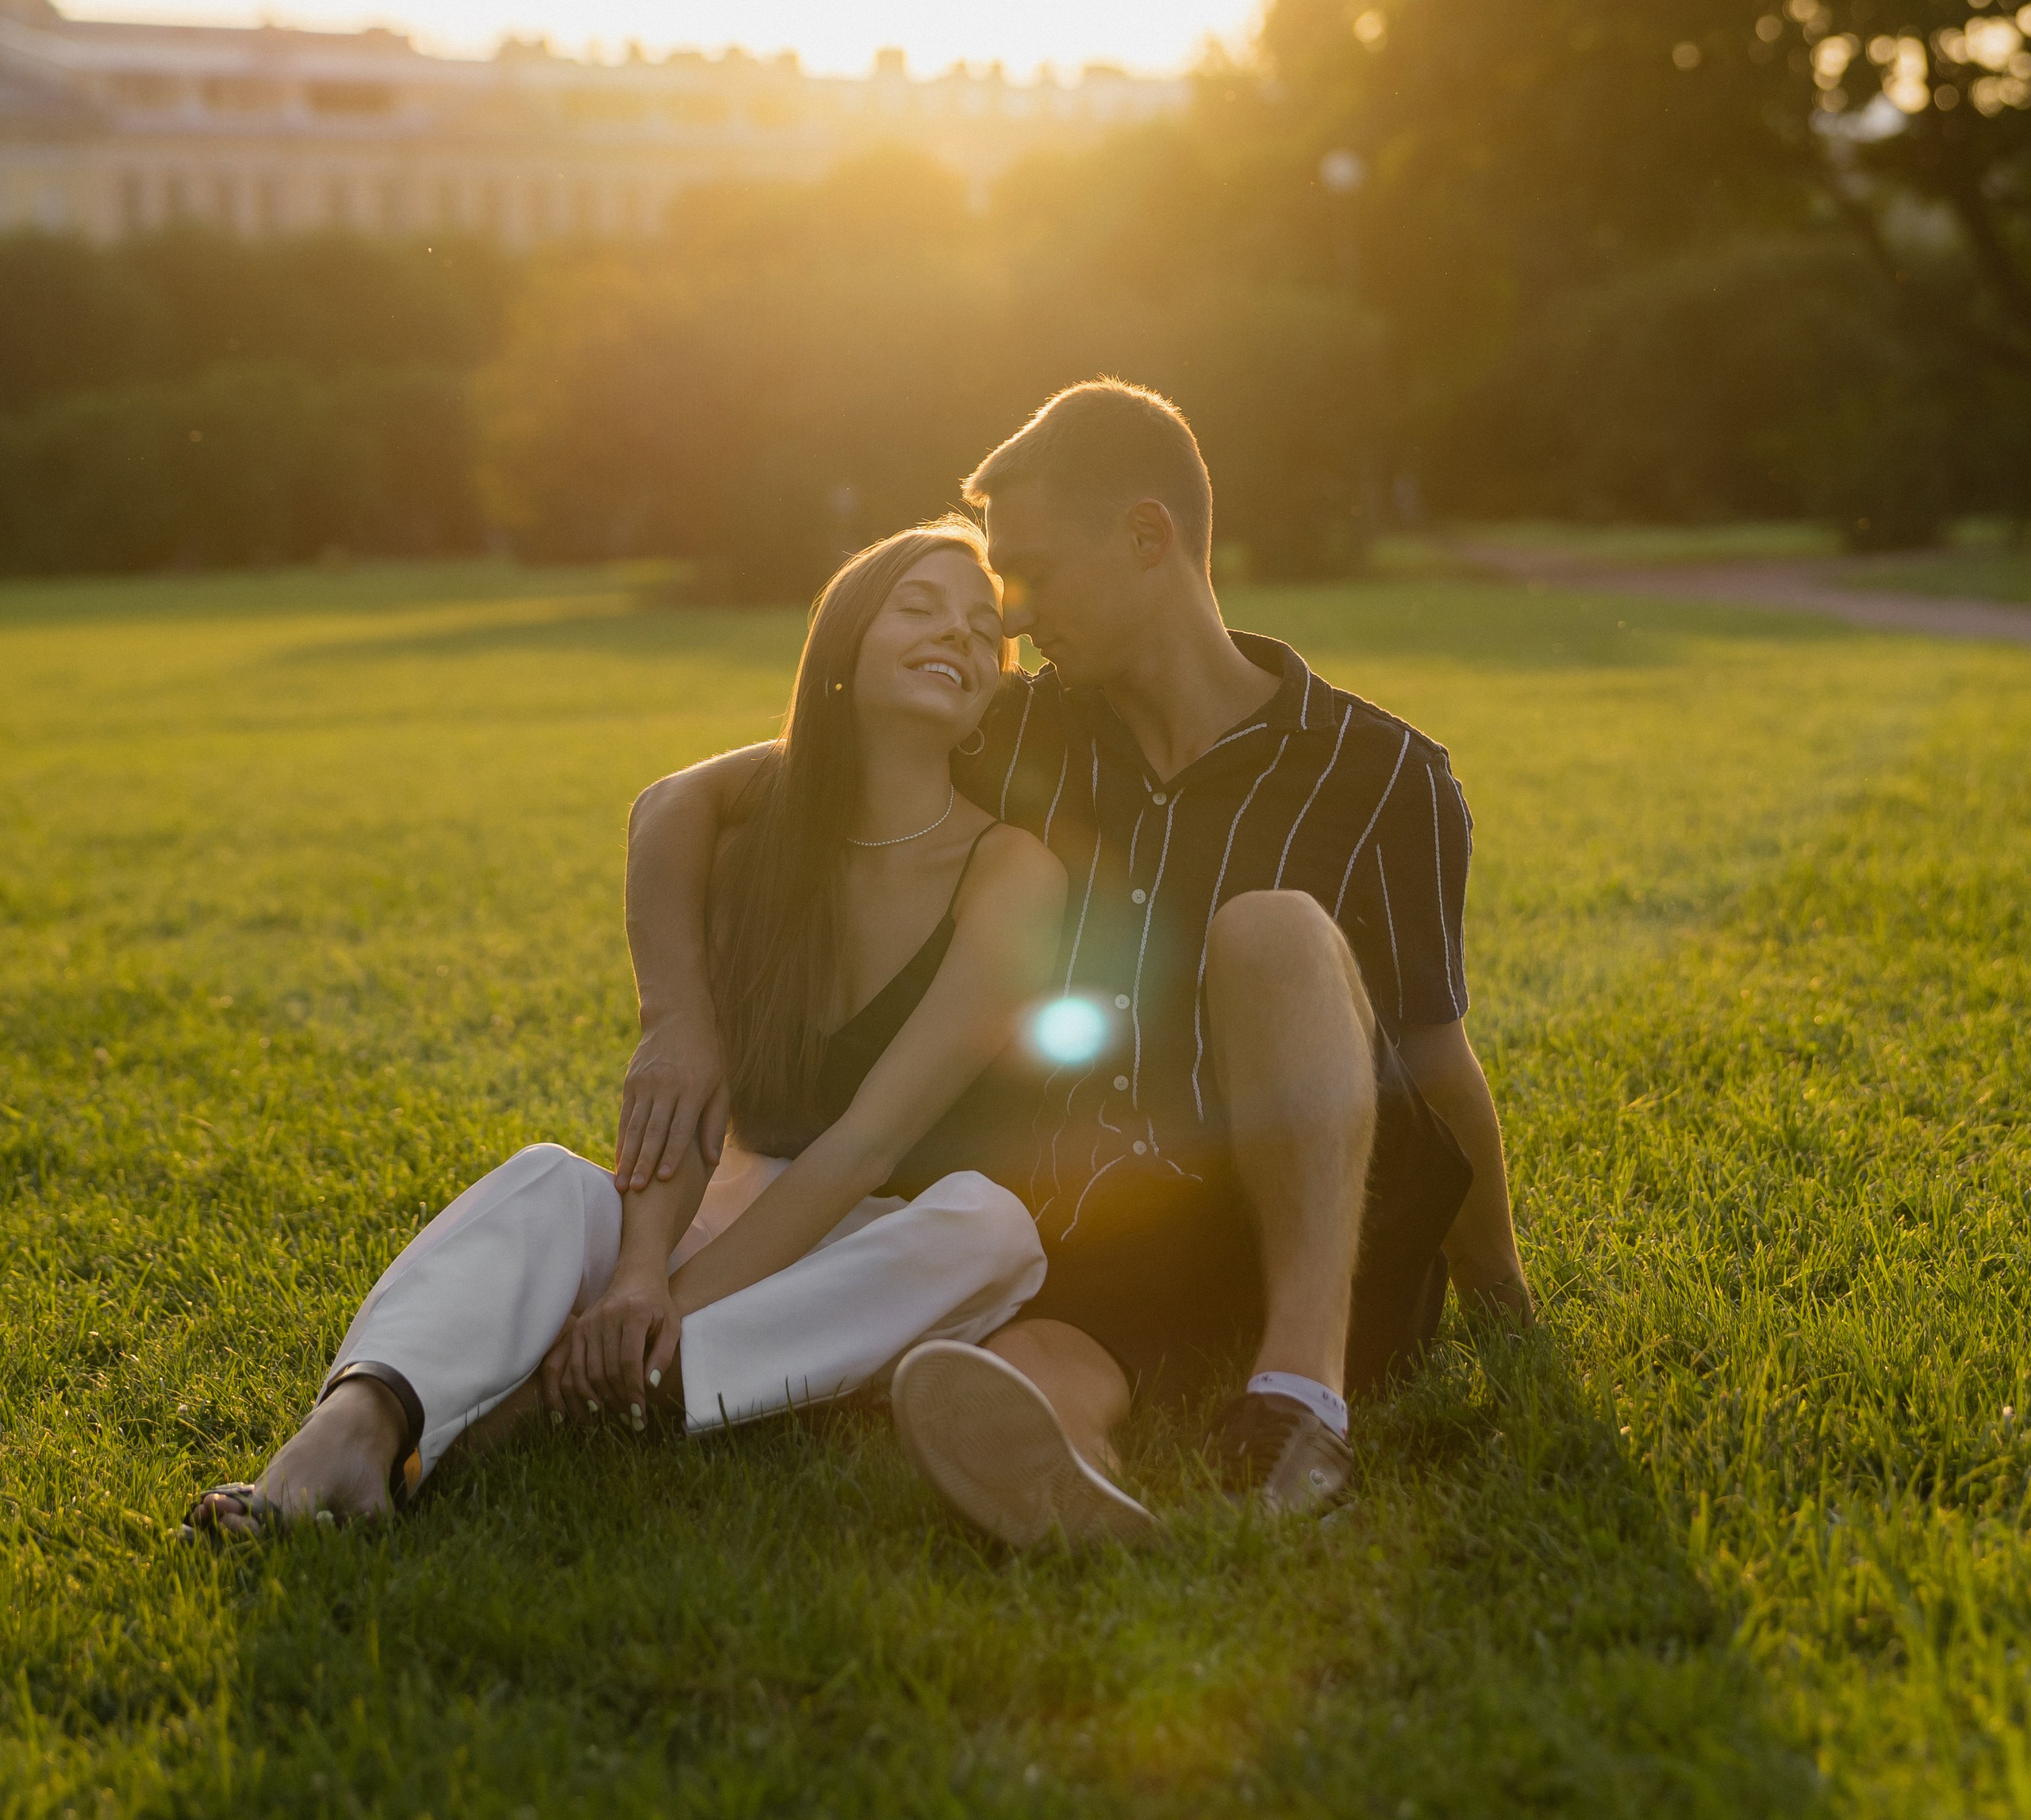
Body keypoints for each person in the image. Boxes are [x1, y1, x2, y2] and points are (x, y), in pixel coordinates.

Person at [623, 382, 1530, 1547]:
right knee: (1019, 1369)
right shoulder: (1015, 731)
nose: (1007, 618)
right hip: (1105, 1224)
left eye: (1034, 574)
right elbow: (683, 802)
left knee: (1270, 930)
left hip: (1325, 1221)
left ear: (1148, 538)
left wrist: (1502, 1292)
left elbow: (1432, 1051)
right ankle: (1071, 1476)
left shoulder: (1384, 775)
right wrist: (678, 1020)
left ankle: (1299, 1403)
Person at [185, 523, 1065, 1537]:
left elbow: (866, 1146)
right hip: (708, 1209)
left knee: (991, 1228)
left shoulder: (1012, 874)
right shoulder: (754, 833)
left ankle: (552, 1399)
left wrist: (660, 1303)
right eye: (920, 606)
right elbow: (683, 1095)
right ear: (843, 640)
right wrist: (643, 1258)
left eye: (982, 629)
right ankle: (348, 1430)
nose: (956, 633)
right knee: (550, 1181)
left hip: (855, 1246)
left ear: (991, 694)